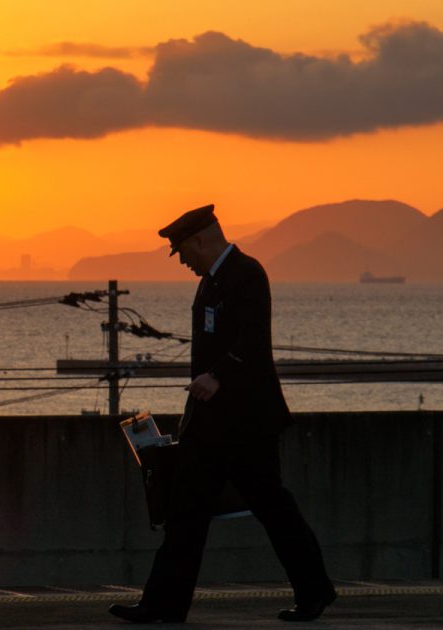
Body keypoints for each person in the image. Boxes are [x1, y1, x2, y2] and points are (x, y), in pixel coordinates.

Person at [109, 205, 336, 623]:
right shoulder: (213, 282)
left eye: (181, 250)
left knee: (272, 509)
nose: (181, 260)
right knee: (186, 513)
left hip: (247, 424)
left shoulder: (247, 273)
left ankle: (315, 591)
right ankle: (163, 604)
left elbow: (253, 339)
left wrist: (216, 375)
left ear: (200, 241)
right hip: (212, 423)